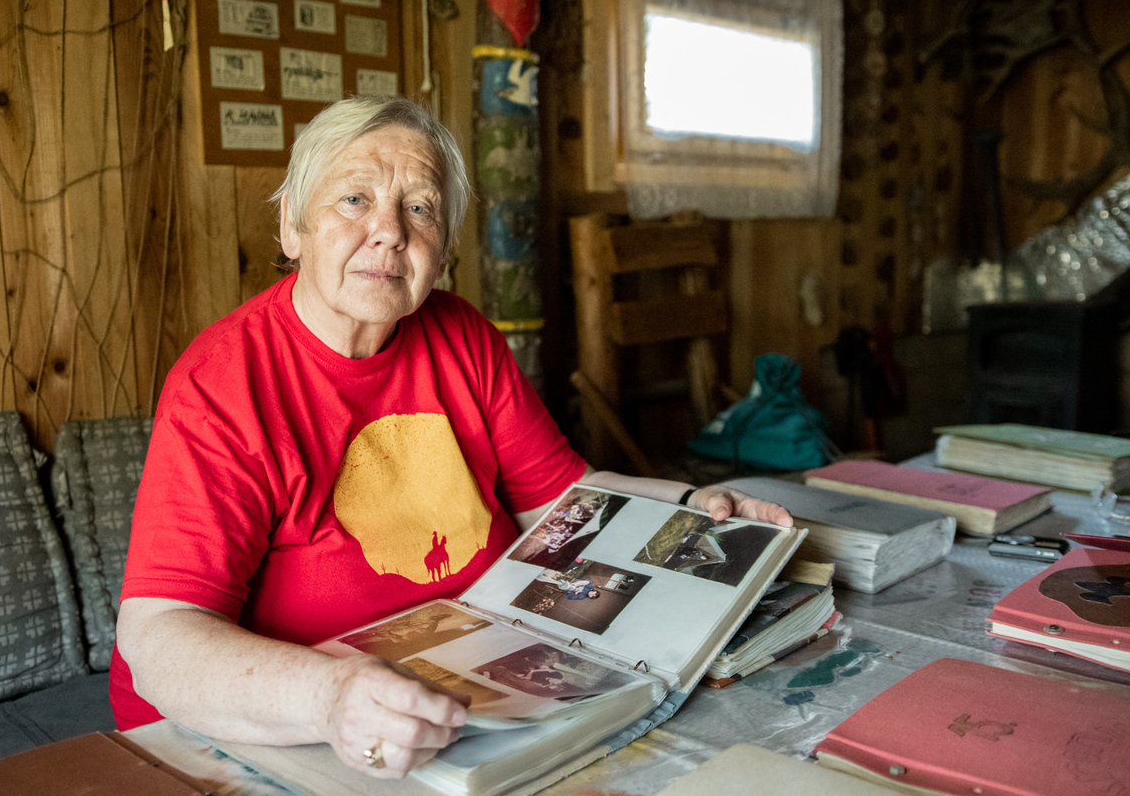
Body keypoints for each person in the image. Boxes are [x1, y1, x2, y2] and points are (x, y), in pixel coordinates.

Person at [113, 96, 791, 781]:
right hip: (281, 728)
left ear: (443, 248)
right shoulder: (222, 384)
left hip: (477, 695)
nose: (389, 232)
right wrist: (329, 698)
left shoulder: (462, 335)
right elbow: (158, 640)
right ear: (292, 223)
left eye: (420, 208)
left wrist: (691, 505)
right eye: (354, 199)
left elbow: (564, 504)